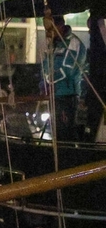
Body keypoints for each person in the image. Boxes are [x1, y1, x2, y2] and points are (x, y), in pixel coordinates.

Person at [42, 13, 88, 142]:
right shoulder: (54, 44)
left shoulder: (74, 43)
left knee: (66, 133)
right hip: (54, 96)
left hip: (68, 96)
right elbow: (45, 65)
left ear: (60, 26)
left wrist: (49, 80)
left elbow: (67, 70)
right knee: (56, 133)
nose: (48, 33)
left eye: (51, 29)